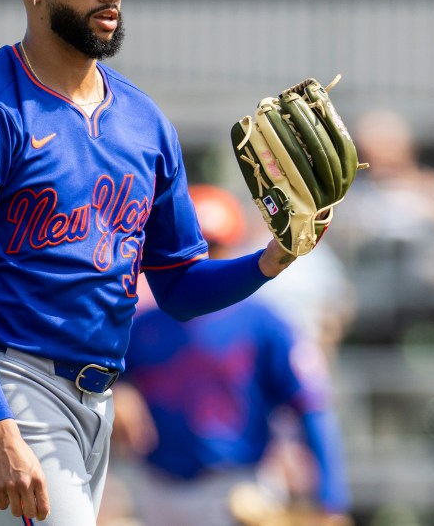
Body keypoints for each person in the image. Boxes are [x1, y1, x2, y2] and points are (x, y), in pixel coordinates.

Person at [0, 0, 301, 526]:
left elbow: (177, 286)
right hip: (7, 383)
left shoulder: (144, 123)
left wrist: (271, 259)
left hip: (95, 402)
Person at [111, 184, 353, 526]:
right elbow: (98, 380)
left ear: (234, 244)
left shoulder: (264, 321)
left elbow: (311, 404)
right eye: (194, 245)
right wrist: (116, 390)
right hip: (156, 486)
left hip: (239, 487)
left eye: (215, 244)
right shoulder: (143, 324)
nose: (204, 256)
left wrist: (330, 500)